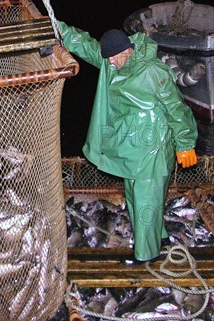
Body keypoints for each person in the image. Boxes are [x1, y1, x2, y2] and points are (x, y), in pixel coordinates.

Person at [59, 23, 198, 265]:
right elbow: (86, 45)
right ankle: (160, 238)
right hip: (131, 150)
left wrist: (185, 144)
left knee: (145, 201)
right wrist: (57, 27)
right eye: (108, 59)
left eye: (113, 58)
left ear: (127, 51)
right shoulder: (111, 61)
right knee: (136, 198)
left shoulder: (154, 72)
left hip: (152, 149)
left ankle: (147, 255)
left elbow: (177, 109)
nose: (110, 63)